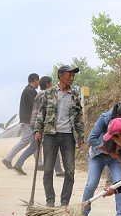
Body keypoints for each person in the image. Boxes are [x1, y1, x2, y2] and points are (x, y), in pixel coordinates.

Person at [78, 104, 121, 216]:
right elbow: (92, 139)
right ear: (117, 116)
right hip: (98, 155)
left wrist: (120, 148)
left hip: (117, 157)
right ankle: (83, 215)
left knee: (119, 184)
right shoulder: (105, 118)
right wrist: (107, 150)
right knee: (91, 184)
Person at [34, 65, 84, 207]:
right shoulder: (49, 93)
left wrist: (81, 135)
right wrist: (37, 131)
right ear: (61, 76)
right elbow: (41, 113)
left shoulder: (75, 95)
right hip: (50, 135)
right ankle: (50, 199)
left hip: (68, 136)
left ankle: (64, 201)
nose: (72, 78)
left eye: (73, 76)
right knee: (48, 169)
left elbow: (79, 117)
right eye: (69, 75)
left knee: (70, 170)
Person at [12, 76, 64, 176]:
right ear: (47, 84)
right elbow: (45, 112)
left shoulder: (38, 95)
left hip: (36, 125)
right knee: (47, 146)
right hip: (43, 126)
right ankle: (18, 164)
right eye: (51, 83)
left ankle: (58, 170)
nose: (52, 85)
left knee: (41, 146)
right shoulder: (45, 96)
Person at [2, 73, 40, 170]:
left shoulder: (27, 90)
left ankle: (39, 163)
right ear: (35, 80)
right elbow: (35, 107)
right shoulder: (31, 92)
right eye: (38, 81)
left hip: (27, 120)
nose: (39, 83)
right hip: (29, 121)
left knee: (35, 142)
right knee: (25, 141)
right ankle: (8, 158)